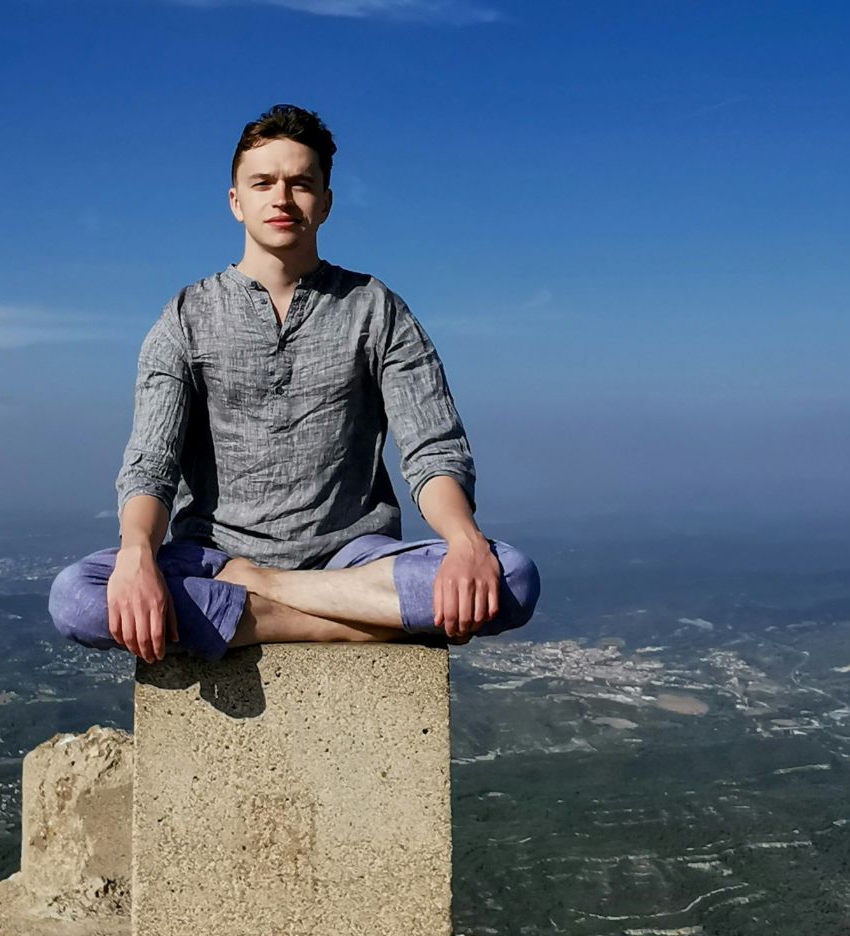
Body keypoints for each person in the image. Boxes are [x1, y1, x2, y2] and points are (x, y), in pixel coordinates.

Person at [49, 103, 540, 663]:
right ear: (236, 200)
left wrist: (464, 542)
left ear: (326, 201)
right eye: (263, 183)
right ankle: (359, 624)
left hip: (352, 555)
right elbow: (151, 463)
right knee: (78, 598)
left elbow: (432, 450)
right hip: (213, 555)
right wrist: (137, 552)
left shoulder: (375, 309)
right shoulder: (186, 316)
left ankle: (271, 598)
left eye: (300, 183)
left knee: (511, 581)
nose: (281, 198)